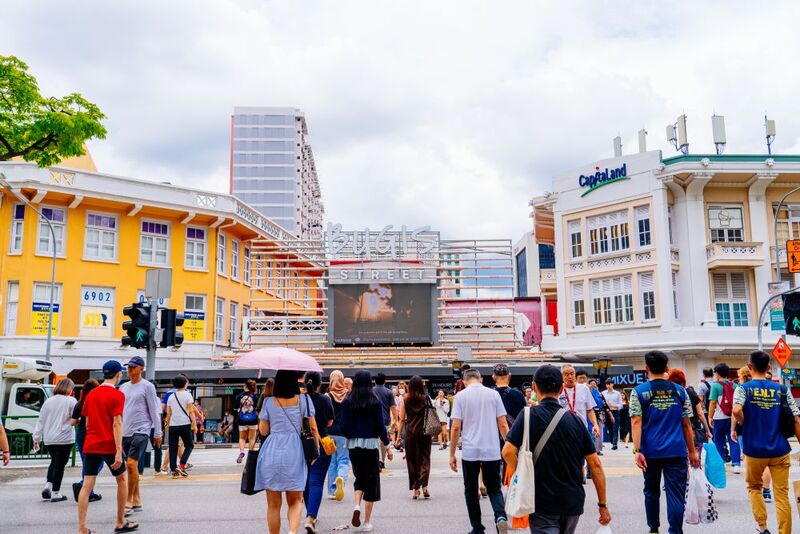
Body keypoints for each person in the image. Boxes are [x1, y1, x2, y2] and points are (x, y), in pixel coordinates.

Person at [503, 365, 611, 533]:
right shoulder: (576, 421)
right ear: (561, 389)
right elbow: (595, 465)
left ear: (534, 387)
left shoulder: (527, 416)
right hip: (572, 502)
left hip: (541, 500)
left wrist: (522, 473)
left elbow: (507, 452)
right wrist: (602, 505)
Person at [631, 351, 700, 534]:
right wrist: (692, 452)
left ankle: (653, 529)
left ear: (646, 369)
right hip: (676, 450)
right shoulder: (680, 391)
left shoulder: (638, 392)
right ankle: (675, 531)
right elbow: (686, 424)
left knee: (651, 490)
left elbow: (636, 421)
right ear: (667, 366)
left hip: (649, 452)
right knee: (675, 494)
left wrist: (636, 450)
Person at [733, 350, 800, 534]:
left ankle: (763, 528)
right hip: (779, 449)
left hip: (754, 449)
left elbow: (736, 410)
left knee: (754, 487)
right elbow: (796, 419)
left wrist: (741, 421)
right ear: (769, 368)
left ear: (749, 367)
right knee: (781, 495)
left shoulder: (743, 388)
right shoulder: (782, 390)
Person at [77, 360, 138, 534]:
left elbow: (87, 423)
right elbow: (117, 423)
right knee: (122, 479)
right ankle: (120, 521)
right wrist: (119, 450)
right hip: (109, 444)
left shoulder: (91, 394)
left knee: (87, 484)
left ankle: (82, 528)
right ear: (118, 374)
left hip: (91, 443)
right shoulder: (117, 395)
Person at [257, 370, 320, 534]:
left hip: (272, 450)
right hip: (295, 450)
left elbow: (263, 431)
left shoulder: (269, 402)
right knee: (295, 501)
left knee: (273, 504)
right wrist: (316, 450)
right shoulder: (304, 400)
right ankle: (292, 532)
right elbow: (313, 427)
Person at [449, 368, 510, 534]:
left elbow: (455, 427)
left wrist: (452, 454)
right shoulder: (493, 395)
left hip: (470, 451)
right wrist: (509, 445)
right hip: (491, 449)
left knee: (470, 489)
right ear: (481, 379)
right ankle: (500, 517)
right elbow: (503, 424)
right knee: (494, 488)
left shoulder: (460, 396)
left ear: (464, 381)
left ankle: (477, 528)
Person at [341, 370, 392, 532]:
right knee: (371, 482)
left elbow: (343, 426)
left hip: (353, 445)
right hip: (370, 444)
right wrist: (388, 446)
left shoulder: (347, 401)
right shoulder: (374, 402)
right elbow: (380, 426)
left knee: (359, 477)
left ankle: (357, 505)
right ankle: (367, 522)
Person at [119, 356, 162, 515]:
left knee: (131, 464)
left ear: (141, 368)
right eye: (128, 367)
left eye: (132, 367)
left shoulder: (148, 386)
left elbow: (154, 410)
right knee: (130, 467)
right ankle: (137, 499)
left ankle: (129, 500)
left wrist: (157, 432)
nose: (129, 370)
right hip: (125, 431)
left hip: (142, 430)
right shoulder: (123, 387)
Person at [33, 377, 77, 503]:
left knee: (54, 462)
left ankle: (48, 485)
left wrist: (37, 437)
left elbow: (40, 421)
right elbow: (75, 418)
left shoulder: (48, 401)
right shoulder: (71, 401)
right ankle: (55, 493)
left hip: (49, 438)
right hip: (65, 438)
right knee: (60, 465)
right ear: (69, 389)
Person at [303, 371, 334, 534]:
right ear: (319, 383)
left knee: (305, 481)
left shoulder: (300, 400)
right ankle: (310, 517)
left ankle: (310, 512)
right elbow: (330, 422)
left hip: (301, 444)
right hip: (321, 442)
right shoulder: (325, 399)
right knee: (316, 481)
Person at [558, 365, 600, 481]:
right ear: (562, 376)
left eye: (572, 373)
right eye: (566, 374)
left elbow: (590, 409)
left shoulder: (583, 388)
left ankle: (580, 469)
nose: (570, 376)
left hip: (581, 429)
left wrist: (595, 424)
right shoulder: (558, 390)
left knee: (581, 453)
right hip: (564, 429)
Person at [395, 375, 433, 499]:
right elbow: (432, 413)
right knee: (425, 459)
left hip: (410, 433)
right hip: (424, 432)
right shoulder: (426, 398)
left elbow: (401, 420)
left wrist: (399, 436)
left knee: (412, 461)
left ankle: (416, 489)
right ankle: (425, 486)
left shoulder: (405, 400)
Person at [71, 379, 103, 502]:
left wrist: (81, 420)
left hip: (80, 434)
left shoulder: (79, 403)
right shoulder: (95, 401)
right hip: (92, 433)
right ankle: (84, 485)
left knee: (87, 463)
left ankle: (88, 490)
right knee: (98, 463)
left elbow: (72, 422)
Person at [668, 369, 711, 454]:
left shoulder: (669, 394)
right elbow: (700, 413)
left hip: (675, 431)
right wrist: (707, 430)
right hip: (693, 429)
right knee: (695, 459)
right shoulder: (690, 392)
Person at [708, 363, 741, 473]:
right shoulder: (735, 385)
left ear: (717, 373)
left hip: (719, 418)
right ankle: (736, 464)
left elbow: (713, 403)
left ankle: (721, 463)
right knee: (733, 439)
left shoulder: (715, 386)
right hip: (732, 417)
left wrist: (709, 416)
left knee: (718, 441)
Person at [165, 374, 196, 478]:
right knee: (189, 445)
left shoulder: (171, 396)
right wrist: (194, 424)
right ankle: (182, 465)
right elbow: (191, 411)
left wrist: (167, 424)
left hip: (173, 425)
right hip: (185, 424)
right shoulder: (188, 395)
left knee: (173, 447)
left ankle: (174, 470)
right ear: (185, 383)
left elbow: (168, 413)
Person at [326, 370, 350, 501]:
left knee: (331, 461)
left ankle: (331, 490)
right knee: (344, 460)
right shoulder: (348, 395)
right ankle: (340, 478)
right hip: (344, 432)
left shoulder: (327, 396)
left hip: (329, 432)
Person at [373, 373, 397, 470]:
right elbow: (393, 407)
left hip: (373, 420)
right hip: (386, 419)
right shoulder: (388, 392)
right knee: (384, 440)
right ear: (385, 381)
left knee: (376, 440)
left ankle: (377, 460)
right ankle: (382, 461)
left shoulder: (371, 391)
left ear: (375, 381)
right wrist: (395, 419)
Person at [236, 379, 259, 464]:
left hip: (242, 420)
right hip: (253, 420)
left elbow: (235, 408)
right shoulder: (255, 396)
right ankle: (250, 455)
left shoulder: (239, 396)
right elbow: (258, 408)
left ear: (245, 386)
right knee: (252, 438)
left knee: (242, 438)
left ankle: (242, 452)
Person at [601, 379, 622, 450]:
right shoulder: (603, 393)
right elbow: (602, 404)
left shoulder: (617, 393)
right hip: (607, 412)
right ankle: (612, 442)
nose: (608, 386)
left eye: (609, 384)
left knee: (615, 428)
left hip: (615, 412)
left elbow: (621, 405)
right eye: (607, 384)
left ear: (612, 384)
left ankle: (615, 444)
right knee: (609, 428)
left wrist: (613, 405)